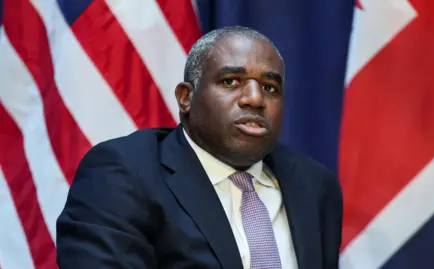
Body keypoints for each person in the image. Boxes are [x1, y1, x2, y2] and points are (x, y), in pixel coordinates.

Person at [56, 26, 343, 269]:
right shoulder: (123, 175)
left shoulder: (314, 186)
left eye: (270, 88)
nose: (255, 99)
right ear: (186, 98)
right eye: (231, 81)